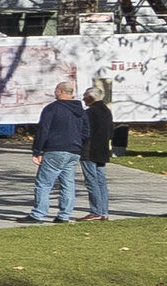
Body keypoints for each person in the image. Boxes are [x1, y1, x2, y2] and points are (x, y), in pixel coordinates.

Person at [26, 77, 88, 223]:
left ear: (60, 91)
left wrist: (37, 150)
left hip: (55, 149)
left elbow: (43, 130)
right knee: (68, 184)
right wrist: (78, 142)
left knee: (44, 183)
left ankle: (38, 213)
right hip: (74, 151)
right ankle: (65, 215)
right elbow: (86, 131)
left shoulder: (52, 108)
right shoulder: (80, 110)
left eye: (55, 90)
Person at [81, 81, 126, 223]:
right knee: (101, 181)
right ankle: (103, 211)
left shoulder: (89, 113)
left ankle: (96, 211)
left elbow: (84, 132)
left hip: (90, 150)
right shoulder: (106, 111)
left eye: (85, 97)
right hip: (102, 150)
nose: (83, 99)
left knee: (91, 181)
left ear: (91, 97)